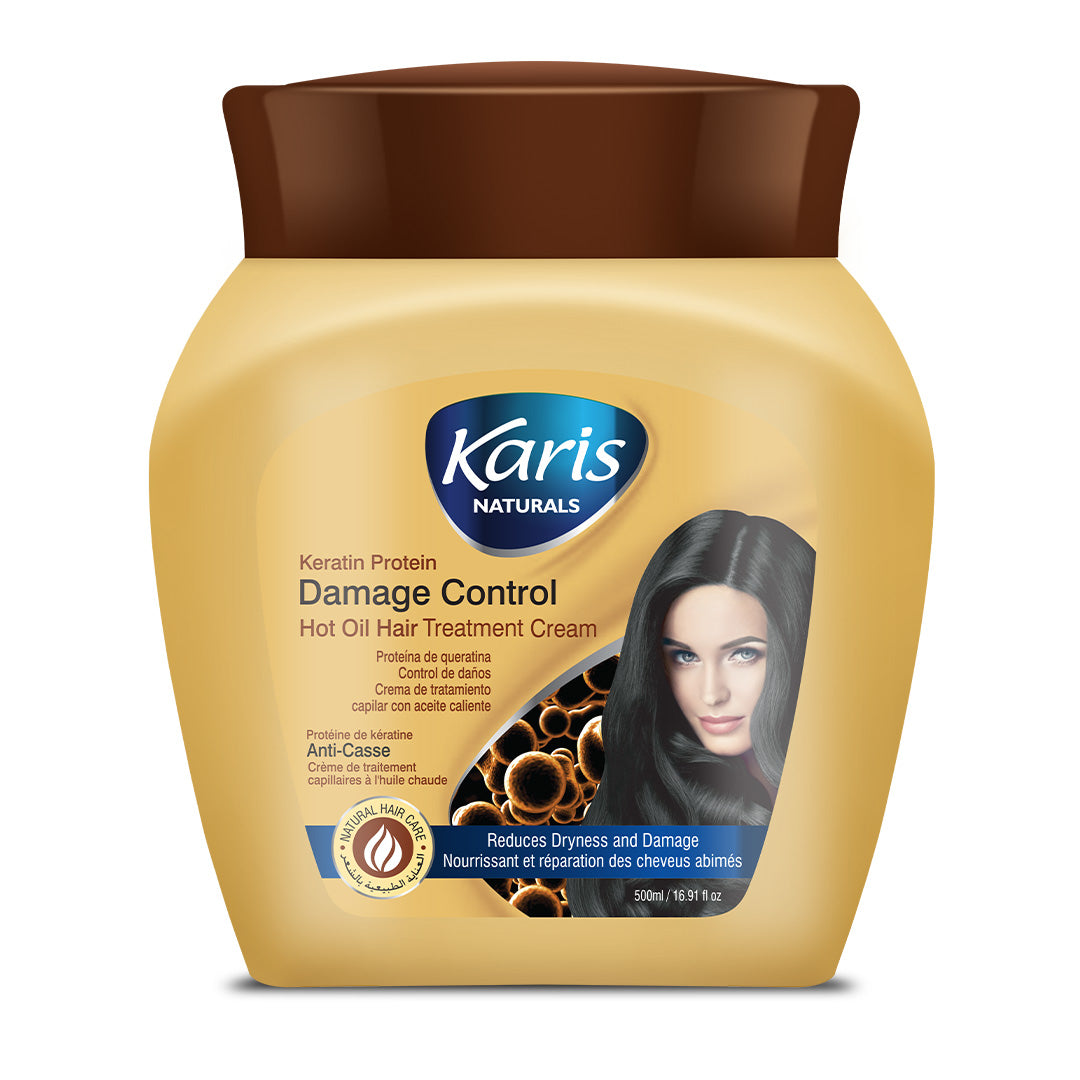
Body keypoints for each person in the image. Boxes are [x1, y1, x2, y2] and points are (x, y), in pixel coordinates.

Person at [566, 509, 814, 917]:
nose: (712, 694)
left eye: (743, 654)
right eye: (685, 656)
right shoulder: (636, 812)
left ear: (799, 646)